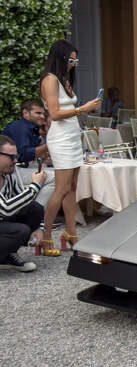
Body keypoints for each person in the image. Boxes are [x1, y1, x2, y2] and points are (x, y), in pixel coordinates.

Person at [39, 39, 101, 256]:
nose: (73, 64)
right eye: (71, 60)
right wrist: (82, 109)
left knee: (72, 187)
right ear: (60, 58)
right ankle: (45, 236)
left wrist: (86, 109)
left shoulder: (63, 79)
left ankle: (71, 232)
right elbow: (55, 114)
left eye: (76, 61)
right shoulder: (50, 80)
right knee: (62, 188)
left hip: (73, 137)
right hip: (61, 139)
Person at [0, 135, 47, 272]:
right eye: (11, 157)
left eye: (16, 156)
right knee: (20, 230)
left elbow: (26, 203)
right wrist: (35, 185)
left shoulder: (8, 175)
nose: (16, 161)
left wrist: (40, 228)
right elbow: (6, 209)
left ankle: (5, 256)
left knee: (35, 208)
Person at [2, 99, 56, 205]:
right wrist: (50, 144)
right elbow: (23, 155)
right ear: (25, 113)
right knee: (56, 177)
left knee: (62, 172)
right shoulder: (20, 127)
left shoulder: (30, 128)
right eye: (38, 113)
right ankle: (36, 210)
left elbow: (31, 154)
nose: (42, 116)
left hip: (21, 169)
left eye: (43, 114)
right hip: (12, 172)